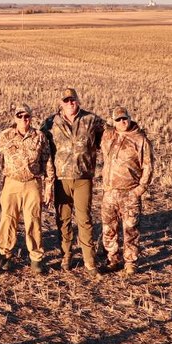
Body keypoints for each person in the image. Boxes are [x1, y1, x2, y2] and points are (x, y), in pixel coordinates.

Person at [41, 87, 105, 273]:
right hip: (61, 179)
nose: (70, 103)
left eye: (73, 99)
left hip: (83, 177)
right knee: (63, 219)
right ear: (60, 103)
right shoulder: (50, 123)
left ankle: (89, 260)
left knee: (84, 219)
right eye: (66, 100)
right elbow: (39, 144)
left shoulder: (91, 120)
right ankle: (66, 255)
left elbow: (110, 137)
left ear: (78, 100)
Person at [0, 103, 54, 274]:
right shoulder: (5, 136)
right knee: (8, 219)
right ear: (15, 118)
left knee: (33, 220)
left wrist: (48, 187)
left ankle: (36, 258)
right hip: (11, 183)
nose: (23, 119)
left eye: (26, 116)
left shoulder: (39, 137)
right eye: (20, 116)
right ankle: (5, 255)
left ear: (31, 118)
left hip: (33, 183)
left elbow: (47, 162)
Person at [99, 105, 154, 275]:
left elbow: (148, 166)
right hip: (110, 193)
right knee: (109, 229)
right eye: (118, 120)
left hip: (130, 192)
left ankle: (130, 262)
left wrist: (140, 189)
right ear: (113, 122)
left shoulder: (140, 139)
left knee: (130, 229)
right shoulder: (108, 135)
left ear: (129, 118)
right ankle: (112, 259)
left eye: (125, 118)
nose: (123, 122)